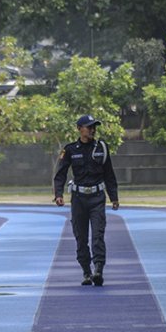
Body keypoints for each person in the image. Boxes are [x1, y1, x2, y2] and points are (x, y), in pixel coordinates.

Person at [53, 115, 119, 286]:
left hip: (97, 197)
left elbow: (109, 174)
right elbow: (60, 174)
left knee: (98, 235)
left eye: (94, 127)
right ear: (79, 129)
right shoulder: (69, 150)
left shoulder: (102, 148)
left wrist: (114, 197)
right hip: (79, 199)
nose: (92, 130)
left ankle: (98, 270)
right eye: (89, 127)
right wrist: (58, 194)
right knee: (80, 237)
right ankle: (86, 272)